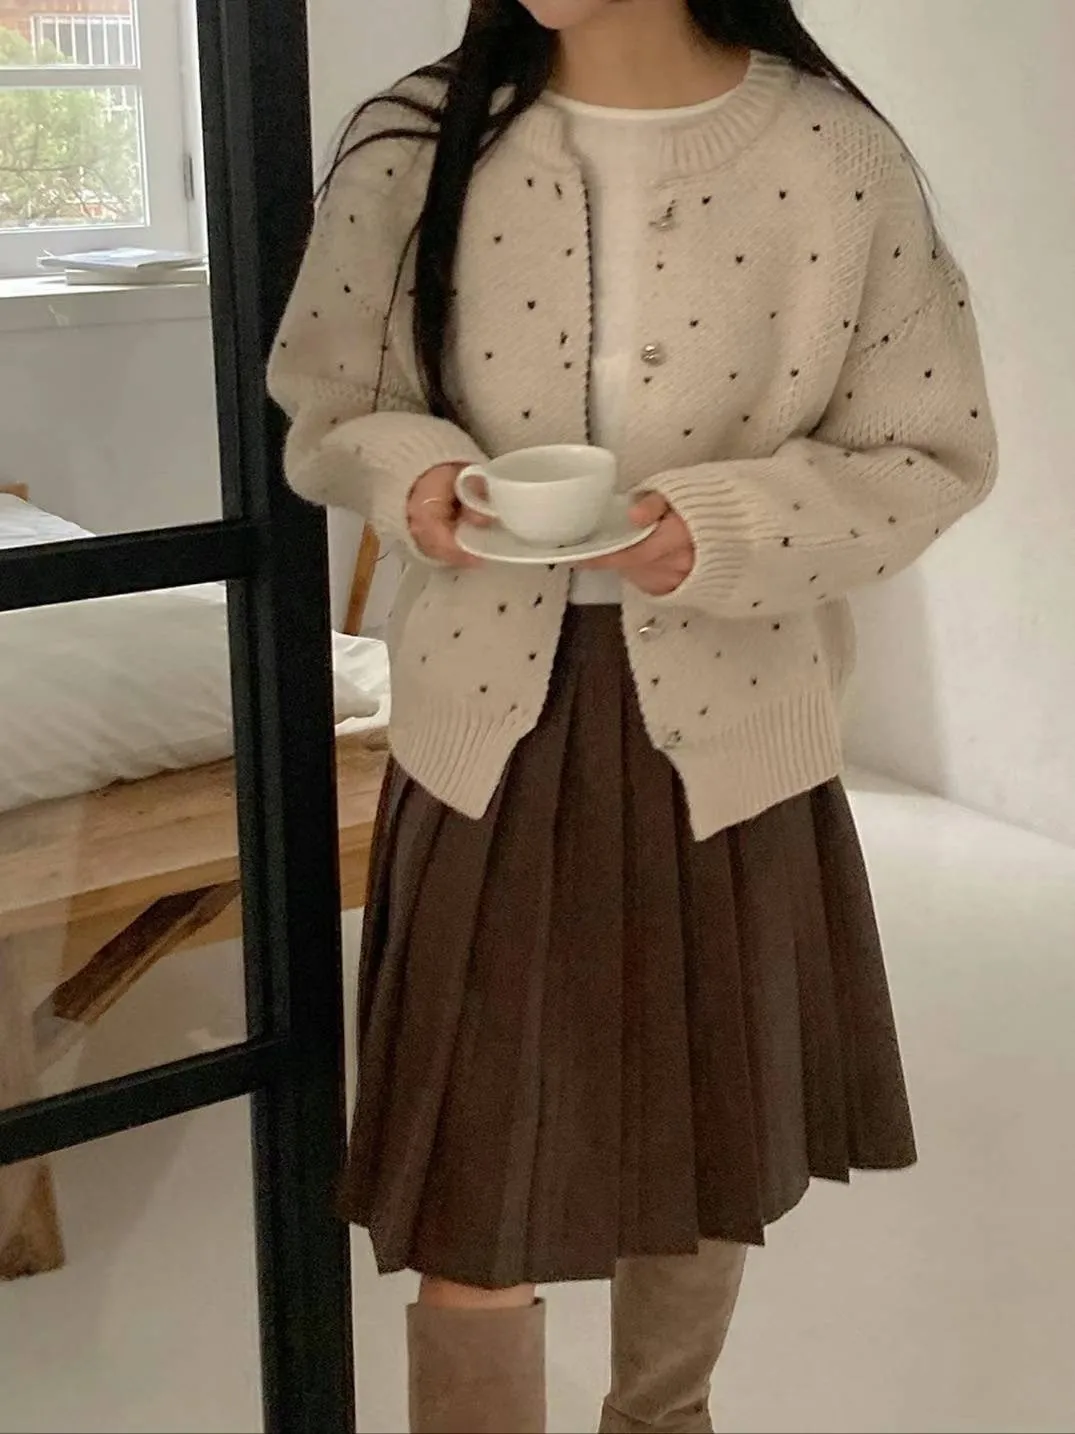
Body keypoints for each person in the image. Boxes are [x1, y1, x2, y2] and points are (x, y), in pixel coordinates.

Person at [269, 1, 997, 1429]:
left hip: (735, 722)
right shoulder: (417, 141)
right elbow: (332, 390)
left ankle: (662, 1417)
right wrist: (413, 473)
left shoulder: (837, 157)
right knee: (471, 1154)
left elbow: (928, 452)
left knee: (703, 1135)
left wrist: (728, 525)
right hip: (486, 723)